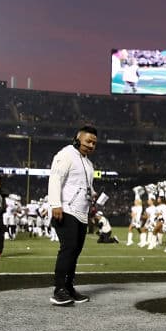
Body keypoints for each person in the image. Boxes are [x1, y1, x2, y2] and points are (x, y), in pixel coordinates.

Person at [48, 125, 99, 306]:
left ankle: (68, 287)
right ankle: (58, 290)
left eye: (94, 143)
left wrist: (92, 195)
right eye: (88, 141)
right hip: (66, 209)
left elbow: (85, 185)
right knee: (68, 249)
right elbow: (55, 178)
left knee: (75, 252)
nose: (91, 145)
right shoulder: (66, 154)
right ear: (77, 139)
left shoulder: (88, 163)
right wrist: (56, 204)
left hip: (81, 212)